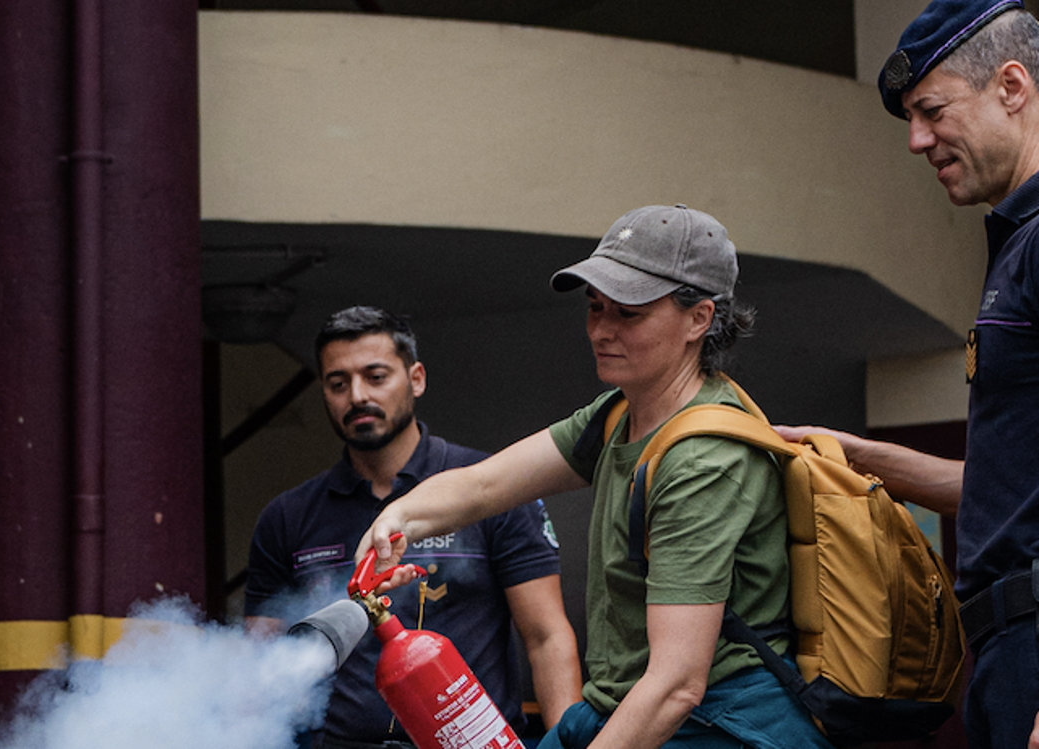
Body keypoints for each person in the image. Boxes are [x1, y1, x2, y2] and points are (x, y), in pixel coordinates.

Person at [358, 205, 833, 749]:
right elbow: (484, 486)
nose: (600, 330)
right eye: (594, 307)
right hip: (620, 701)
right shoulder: (618, 414)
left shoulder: (703, 460)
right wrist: (394, 521)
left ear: (699, 319)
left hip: (716, 721)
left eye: (628, 313)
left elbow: (677, 685)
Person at [769, 2, 1039, 747]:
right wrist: (846, 455)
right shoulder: (1016, 242)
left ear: (1010, 86)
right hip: (1000, 647)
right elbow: (998, 490)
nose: (917, 140)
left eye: (931, 111)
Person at [244, 305, 582, 749]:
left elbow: (546, 637)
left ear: (416, 378)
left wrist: (569, 744)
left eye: (376, 376)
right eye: (338, 383)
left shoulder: (489, 489)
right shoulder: (288, 516)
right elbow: (263, 662)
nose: (358, 396)